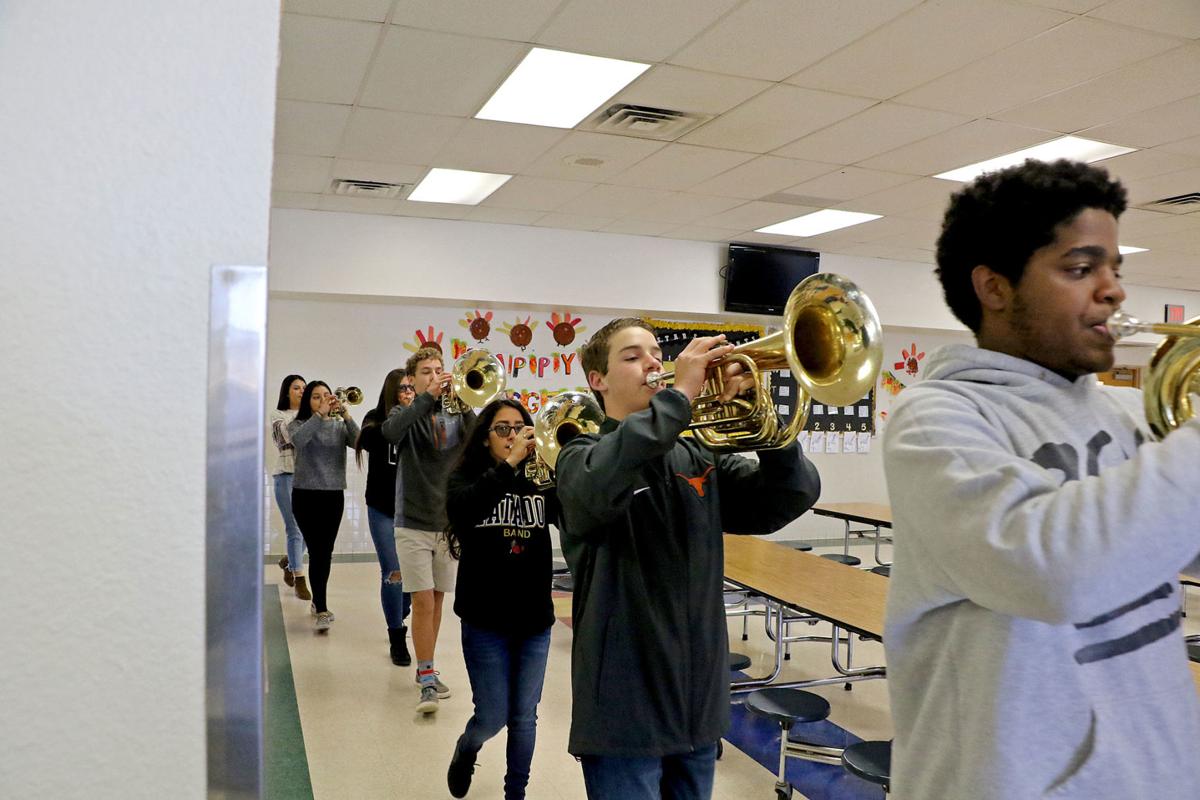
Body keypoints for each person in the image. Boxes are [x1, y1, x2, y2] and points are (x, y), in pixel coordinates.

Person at [882, 159, 1200, 798]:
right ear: (995, 287)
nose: (1112, 292)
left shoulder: (1129, 410)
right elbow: (1051, 570)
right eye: (1081, 269)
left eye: (1115, 270)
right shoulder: (935, 419)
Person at [555, 318, 821, 800]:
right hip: (624, 710)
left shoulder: (699, 455)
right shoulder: (580, 456)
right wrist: (677, 397)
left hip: (698, 702)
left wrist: (771, 433)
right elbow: (598, 487)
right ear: (598, 380)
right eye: (632, 356)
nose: (652, 362)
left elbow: (787, 497)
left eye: (655, 353)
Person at [443, 398, 557, 800]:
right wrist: (508, 467)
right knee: (491, 716)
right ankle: (467, 747)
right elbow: (464, 510)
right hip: (484, 618)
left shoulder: (541, 476)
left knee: (524, 717)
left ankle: (516, 794)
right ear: (485, 438)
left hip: (534, 619)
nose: (512, 435)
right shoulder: (466, 478)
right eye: (502, 428)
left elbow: (576, 514)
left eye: (519, 427)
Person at [382, 346, 468, 713]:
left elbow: (480, 438)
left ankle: (425, 668)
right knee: (420, 600)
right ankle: (428, 677)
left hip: (448, 524)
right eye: (427, 372)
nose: (435, 376)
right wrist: (426, 398)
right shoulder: (405, 411)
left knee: (436, 602)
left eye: (439, 370)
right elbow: (390, 432)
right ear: (413, 380)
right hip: (412, 522)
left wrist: (466, 401)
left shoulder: (456, 413)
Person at [288, 380, 360, 632]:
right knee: (318, 550)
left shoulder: (339, 426)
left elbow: (359, 441)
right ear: (308, 401)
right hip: (305, 495)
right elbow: (299, 440)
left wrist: (346, 414)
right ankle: (321, 607)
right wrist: (319, 416)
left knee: (324, 552)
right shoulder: (298, 424)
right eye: (316, 397)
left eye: (326, 396)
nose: (322, 401)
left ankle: (319, 601)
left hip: (333, 496)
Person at [354, 368, 415, 666]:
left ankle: (399, 610)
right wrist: (398, 416)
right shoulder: (374, 418)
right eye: (402, 388)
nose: (407, 393)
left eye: (410, 388)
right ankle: (397, 637)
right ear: (391, 391)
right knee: (393, 573)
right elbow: (368, 441)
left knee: (410, 580)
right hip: (381, 508)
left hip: (412, 511)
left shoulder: (421, 419)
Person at [270, 374, 311, 600]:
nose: (301, 391)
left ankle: (288, 562)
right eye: (297, 388)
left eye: (304, 387)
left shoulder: (310, 415)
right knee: (294, 527)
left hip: (309, 478)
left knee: (309, 529)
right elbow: (289, 437)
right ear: (287, 392)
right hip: (286, 474)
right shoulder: (277, 415)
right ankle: (299, 577)